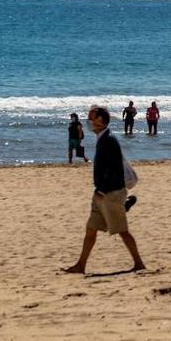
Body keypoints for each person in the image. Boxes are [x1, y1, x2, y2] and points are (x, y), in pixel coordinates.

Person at [63, 106, 145, 274]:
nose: (89, 121)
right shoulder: (103, 138)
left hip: (110, 193)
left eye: (91, 118)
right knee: (91, 229)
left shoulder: (109, 140)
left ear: (100, 120)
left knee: (122, 230)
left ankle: (139, 263)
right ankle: (81, 265)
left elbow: (112, 169)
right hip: (101, 193)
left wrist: (102, 190)